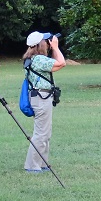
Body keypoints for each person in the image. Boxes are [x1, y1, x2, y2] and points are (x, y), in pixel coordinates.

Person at [22, 32, 66, 172]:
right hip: (41, 97)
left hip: (40, 97)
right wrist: (56, 47)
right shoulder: (39, 59)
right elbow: (62, 63)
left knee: (45, 132)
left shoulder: (33, 59)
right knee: (41, 133)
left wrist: (52, 48)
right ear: (41, 44)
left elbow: (56, 66)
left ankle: (41, 163)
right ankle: (32, 165)